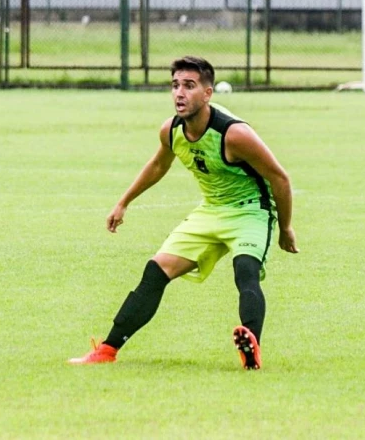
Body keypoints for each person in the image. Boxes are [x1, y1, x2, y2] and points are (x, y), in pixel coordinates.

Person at [69, 56, 298, 370]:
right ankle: (107, 350)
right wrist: (124, 202)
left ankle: (251, 347)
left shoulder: (234, 134)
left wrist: (285, 228)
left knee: (245, 270)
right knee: (156, 270)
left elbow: (279, 177)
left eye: (189, 86)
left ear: (207, 93)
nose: (180, 93)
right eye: (175, 85)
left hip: (250, 212)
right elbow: (159, 165)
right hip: (211, 211)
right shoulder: (172, 130)